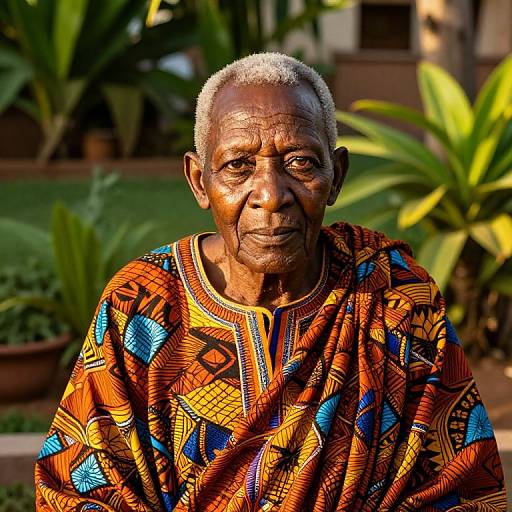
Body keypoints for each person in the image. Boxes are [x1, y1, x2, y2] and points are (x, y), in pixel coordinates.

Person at [35, 53, 507, 511]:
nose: (270, 194)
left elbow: (463, 484)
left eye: (300, 162)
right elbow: (80, 490)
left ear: (336, 175)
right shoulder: (142, 306)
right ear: (200, 181)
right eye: (239, 165)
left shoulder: (395, 296)